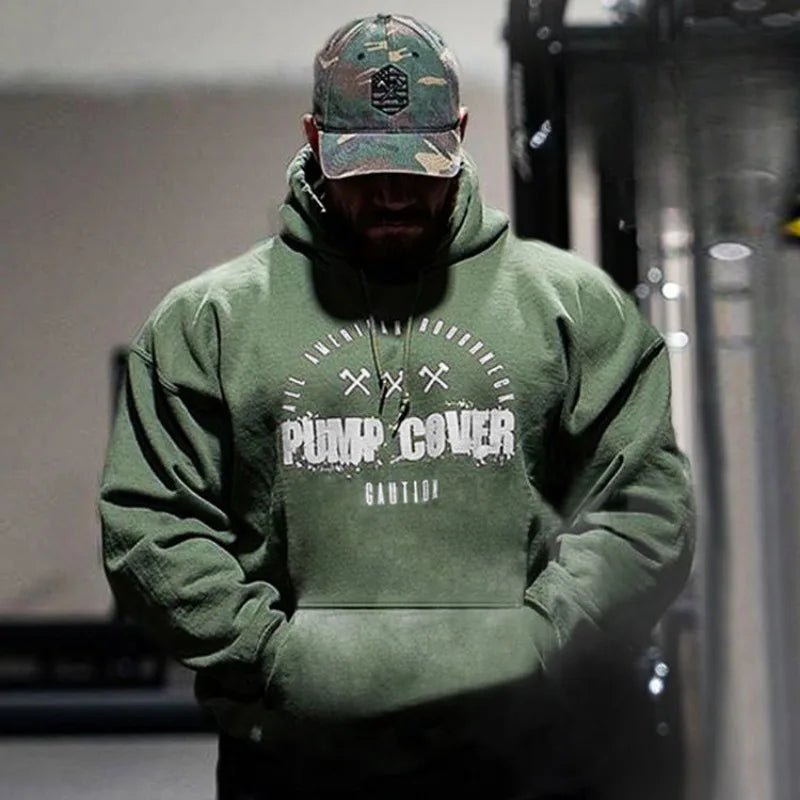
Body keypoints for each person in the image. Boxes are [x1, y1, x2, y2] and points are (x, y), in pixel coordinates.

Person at [98, 12, 695, 800]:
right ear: (314, 139)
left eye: (418, 166)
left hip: (524, 759)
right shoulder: (208, 323)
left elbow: (644, 504)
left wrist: (542, 637)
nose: (391, 194)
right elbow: (152, 526)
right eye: (364, 169)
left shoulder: (572, 308)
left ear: (460, 134)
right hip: (300, 762)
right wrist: (272, 658)